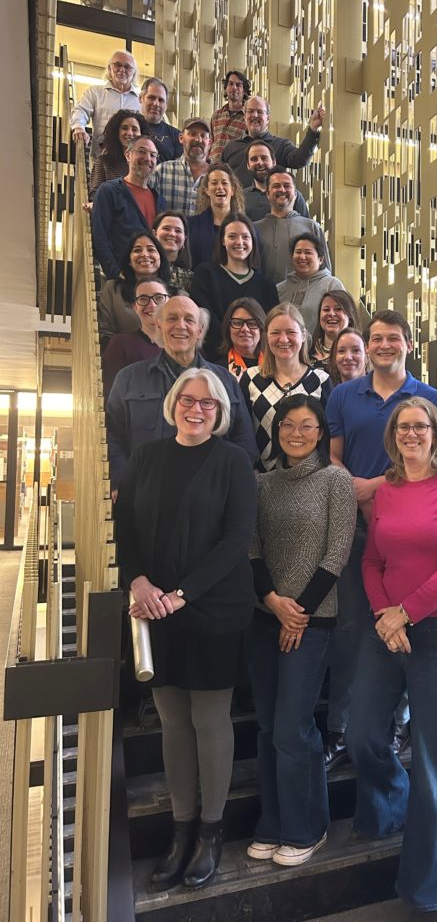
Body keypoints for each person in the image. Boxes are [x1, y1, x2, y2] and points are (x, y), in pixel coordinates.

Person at [117, 368, 257, 891]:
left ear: (221, 413)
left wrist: (180, 595)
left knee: (210, 718)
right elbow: (125, 527)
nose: (196, 409)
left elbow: (236, 540)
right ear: (173, 402)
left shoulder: (234, 462)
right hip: (153, 606)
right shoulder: (147, 457)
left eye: (208, 404)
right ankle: (180, 830)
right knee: (172, 720)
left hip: (211, 606)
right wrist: (140, 584)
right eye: (188, 400)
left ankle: (211, 832)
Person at [347, 398, 437, 911]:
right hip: (387, 630)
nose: (410, 434)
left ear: (436, 433)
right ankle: (391, 807)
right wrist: (387, 615)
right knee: (361, 732)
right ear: (392, 435)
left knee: (436, 761)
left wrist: (407, 612)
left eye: (419, 427)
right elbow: (372, 559)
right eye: (402, 427)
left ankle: (428, 890)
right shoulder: (387, 493)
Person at [322, 311, 437, 771]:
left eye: (392, 338)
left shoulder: (430, 399)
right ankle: (341, 728)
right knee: (355, 629)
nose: (382, 345)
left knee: (406, 628)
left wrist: (373, 487)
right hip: (353, 528)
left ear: (409, 345)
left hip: (410, 534)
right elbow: (333, 457)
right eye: (375, 338)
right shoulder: (341, 395)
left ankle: (397, 724)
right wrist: (352, 491)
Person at [245, 394, 356, 867]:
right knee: (269, 725)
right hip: (263, 616)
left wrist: (298, 613)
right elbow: (251, 550)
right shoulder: (262, 484)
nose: (296, 433)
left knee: (293, 727)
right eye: (288, 424)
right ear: (276, 430)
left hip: (312, 621)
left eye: (307, 426)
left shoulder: (337, 481)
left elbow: (336, 555)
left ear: (320, 433)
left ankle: (307, 826)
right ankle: (273, 822)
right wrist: (273, 601)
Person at [107, 295, 257, 490]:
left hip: (210, 497)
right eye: (172, 318)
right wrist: (123, 483)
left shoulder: (226, 381)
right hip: (147, 495)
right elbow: (112, 437)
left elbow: (244, 441)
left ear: (200, 330)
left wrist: (228, 484)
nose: (181, 326)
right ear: (159, 326)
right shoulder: (128, 379)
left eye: (189, 320)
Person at [243, 303, 332, 472]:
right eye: (275, 333)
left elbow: (328, 437)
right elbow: (243, 434)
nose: (283, 339)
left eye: (291, 332)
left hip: (310, 478)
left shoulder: (321, 380)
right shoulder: (250, 378)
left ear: (303, 335)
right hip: (262, 479)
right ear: (266, 337)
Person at [190, 213, 277, 360]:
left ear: (253, 241)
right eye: (232, 236)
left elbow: (270, 326)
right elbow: (205, 318)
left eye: (245, 237)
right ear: (222, 241)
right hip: (216, 359)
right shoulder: (205, 274)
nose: (239, 242)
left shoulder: (266, 285)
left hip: (258, 363)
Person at [91, 137, 164, 279]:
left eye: (153, 155)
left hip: (150, 281)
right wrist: (115, 274)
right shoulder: (109, 191)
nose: (148, 158)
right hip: (120, 280)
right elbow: (99, 238)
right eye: (142, 152)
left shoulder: (159, 200)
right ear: (128, 155)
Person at [222, 95, 325, 188]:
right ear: (244, 116)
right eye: (250, 111)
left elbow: (300, 159)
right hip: (237, 207)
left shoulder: (281, 145)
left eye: (259, 111)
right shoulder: (231, 147)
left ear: (268, 118)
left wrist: (313, 128)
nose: (255, 115)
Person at [253, 168, 331, 285]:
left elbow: (325, 272)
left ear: (295, 194)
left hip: (305, 299)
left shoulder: (311, 227)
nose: (282, 189)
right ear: (267, 194)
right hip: (265, 298)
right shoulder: (254, 229)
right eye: (276, 186)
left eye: (287, 186)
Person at [98, 231, 171, 344]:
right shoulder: (113, 289)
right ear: (129, 261)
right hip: (125, 356)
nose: (145, 254)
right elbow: (105, 333)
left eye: (151, 250)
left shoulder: (178, 295)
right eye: (137, 250)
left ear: (160, 258)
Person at [102, 278, 170, 397]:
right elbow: (112, 397)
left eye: (159, 298)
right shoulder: (121, 344)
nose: (152, 305)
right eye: (143, 299)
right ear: (135, 307)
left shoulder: (189, 345)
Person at [71, 50, 140, 162]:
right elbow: (81, 110)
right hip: (101, 159)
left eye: (127, 67)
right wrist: (79, 127)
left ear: (134, 72)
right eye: (117, 65)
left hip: (130, 163)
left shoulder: (140, 100)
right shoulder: (95, 92)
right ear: (109, 68)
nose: (122, 70)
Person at [277, 234, 345, 335]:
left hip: (320, 348)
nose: (302, 257)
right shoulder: (280, 288)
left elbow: (344, 320)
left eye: (308, 252)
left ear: (321, 259)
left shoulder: (332, 285)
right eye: (298, 252)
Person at [150, 117, 212, 216]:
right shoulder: (161, 172)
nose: (198, 139)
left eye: (203, 136)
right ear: (181, 138)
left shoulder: (218, 177)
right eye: (192, 134)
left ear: (209, 143)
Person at [188, 163, 245, 266]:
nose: (220, 187)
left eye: (224, 183)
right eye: (214, 183)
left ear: (232, 190)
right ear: (206, 190)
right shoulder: (191, 225)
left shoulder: (246, 228)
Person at [242, 140, 309, 222]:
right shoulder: (241, 197)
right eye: (254, 159)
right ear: (248, 165)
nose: (259, 162)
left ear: (274, 162)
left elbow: (305, 227)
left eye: (264, 158)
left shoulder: (292, 195)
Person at [88, 109, 148, 199]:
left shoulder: (147, 164)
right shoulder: (104, 161)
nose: (129, 133)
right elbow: (95, 195)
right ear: (117, 132)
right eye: (124, 128)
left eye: (134, 129)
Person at [216, 298, 264, 381]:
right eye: (237, 323)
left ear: (261, 329)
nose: (245, 329)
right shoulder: (217, 372)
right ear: (228, 328)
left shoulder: (277, 367)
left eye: (252, 323)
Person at [310, 291, 359, 370]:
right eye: (326, 309)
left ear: (350, 316)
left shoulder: (359, 355)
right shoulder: (306, 352)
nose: (331, 314)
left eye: (338, 309)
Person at [139, 77, 183, 163]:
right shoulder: (130, 130)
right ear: (141, 98)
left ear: (166, 105)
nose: (156, 104)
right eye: (151, 98)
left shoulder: (176, 136)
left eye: (161, 100)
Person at [210, 70, 250, 163]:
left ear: (244, 91)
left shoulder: (248, 117)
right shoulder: (216, 115)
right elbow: (212, 142)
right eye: (230, 84)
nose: (234, 87)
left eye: (238, 85)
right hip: (213, 168)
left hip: (235, 169)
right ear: (226, 88)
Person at [153, 211, 194, 291]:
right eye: (166, 228)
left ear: (184, 238)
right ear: (154, 234)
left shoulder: (192, 279)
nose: (172, 234)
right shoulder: (143, 269)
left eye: (178, 231)